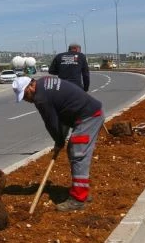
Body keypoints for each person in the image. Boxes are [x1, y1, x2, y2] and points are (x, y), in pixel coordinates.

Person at [11, 75, 104, 211]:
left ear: (31, 86)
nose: (26, 100)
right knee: (74, 150)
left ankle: (78, 199)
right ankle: (80, 191)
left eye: (25, 95)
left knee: (78, 154)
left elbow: (52, 124)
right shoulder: (44, 82)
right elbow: (61, 114)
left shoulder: (41, 99)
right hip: (87, 114)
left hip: (88, 116)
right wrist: (60, 140)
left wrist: (59, 141)